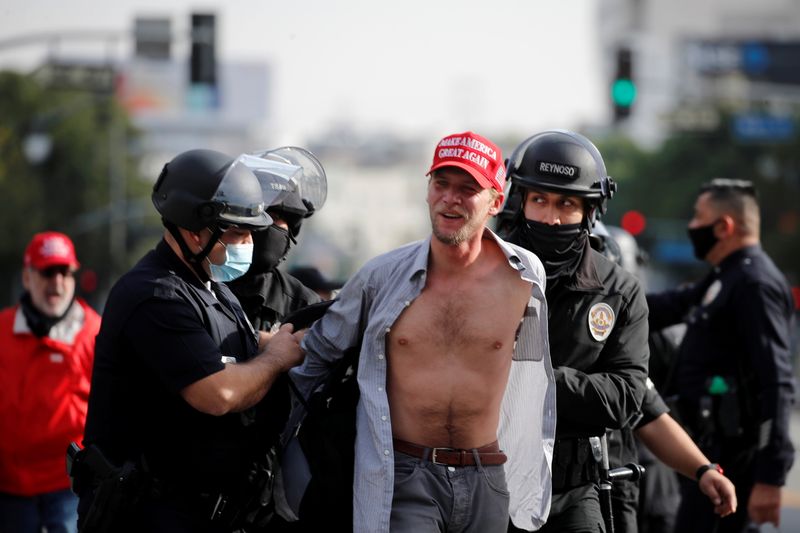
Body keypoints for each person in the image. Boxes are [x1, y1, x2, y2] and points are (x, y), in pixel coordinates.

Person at [287, 131, 556, 532]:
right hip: (406, 472)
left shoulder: (524, 277)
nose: (450, 198)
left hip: (487, 473)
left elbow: (533, 374)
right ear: (428, 191)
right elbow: (318, 357)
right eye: (441, 184)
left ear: (496, 202)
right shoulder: (381, 277)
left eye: (468, 189)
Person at [77, 149, 304, 533]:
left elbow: (237, 344)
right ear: (194, 229)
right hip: (149, 514)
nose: (247, 242)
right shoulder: (155, 295)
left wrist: (281, 339)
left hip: (200, 512)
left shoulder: (210, 285)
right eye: (236, 231)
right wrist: (278, 358)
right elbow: (219, 394)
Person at [500, 130, 649, 532]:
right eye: (540, 201)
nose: (550, 218)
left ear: (589, 211)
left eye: (566, 204)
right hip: (489, 481)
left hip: (573, 486)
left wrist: (535, 378)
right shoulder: (481, 271)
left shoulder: (618, 290)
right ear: (520, 201)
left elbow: (627, 397)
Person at [647, 178, 796, 532]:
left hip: (733, 465)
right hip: (709, 457)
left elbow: (777, 384)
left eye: (698, 218)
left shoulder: (754, 285)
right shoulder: (725, 276)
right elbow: (666, 307)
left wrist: (770, 478)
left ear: (724, 226)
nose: (692, 226)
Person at [592, 223, 737, 533]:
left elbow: (648, 405)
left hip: (640, 467)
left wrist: (703, 468)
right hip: (620, 472)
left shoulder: (633, 322)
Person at [0, 232, 100, 533]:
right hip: (10, 489)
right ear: (27, 277)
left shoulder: (95, 332)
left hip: (70, 490)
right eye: (47, 272)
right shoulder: (2, 331)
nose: (57, 282)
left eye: (64, 272)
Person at [228, 147, 330, 331]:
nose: (265, 226)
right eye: (260, 215)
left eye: (275, 218)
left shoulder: (305, 305)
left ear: (292, 231)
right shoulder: (201, 288)